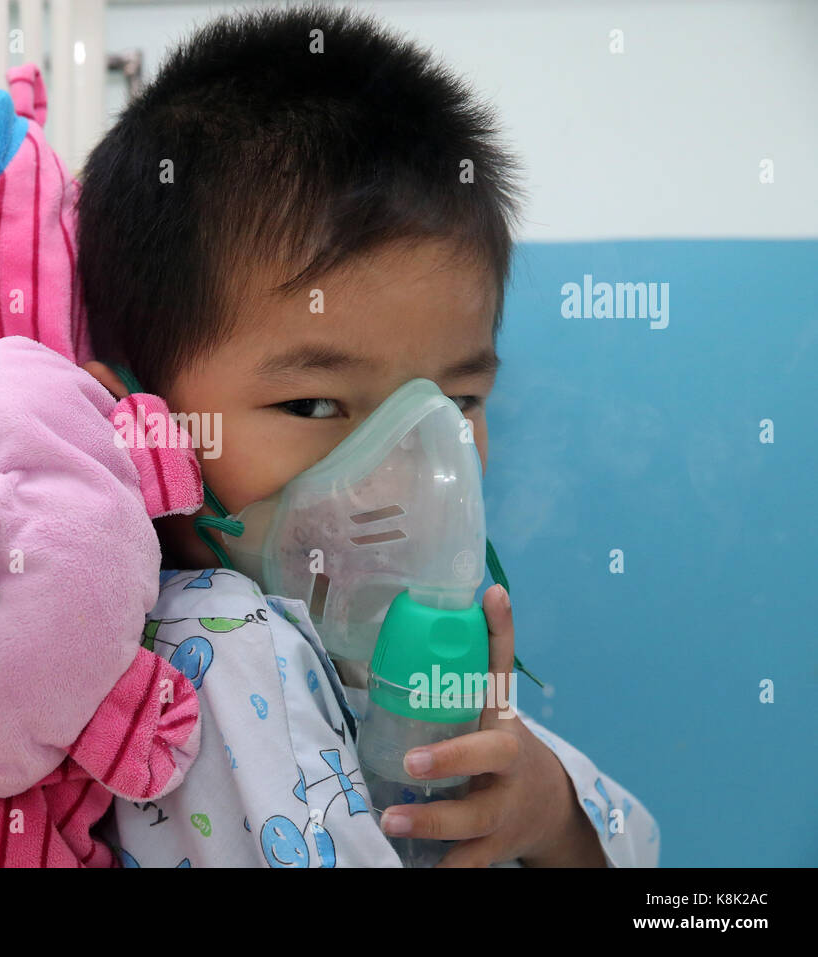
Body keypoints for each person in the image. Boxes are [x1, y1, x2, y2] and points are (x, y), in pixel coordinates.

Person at [76, 3, 659, 867]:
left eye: (456, 403)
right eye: (315, 407)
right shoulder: (224, 641)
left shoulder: (372, 655)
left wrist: (541, 808)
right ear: (131, 425)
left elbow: (633, 848)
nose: (409, 476)